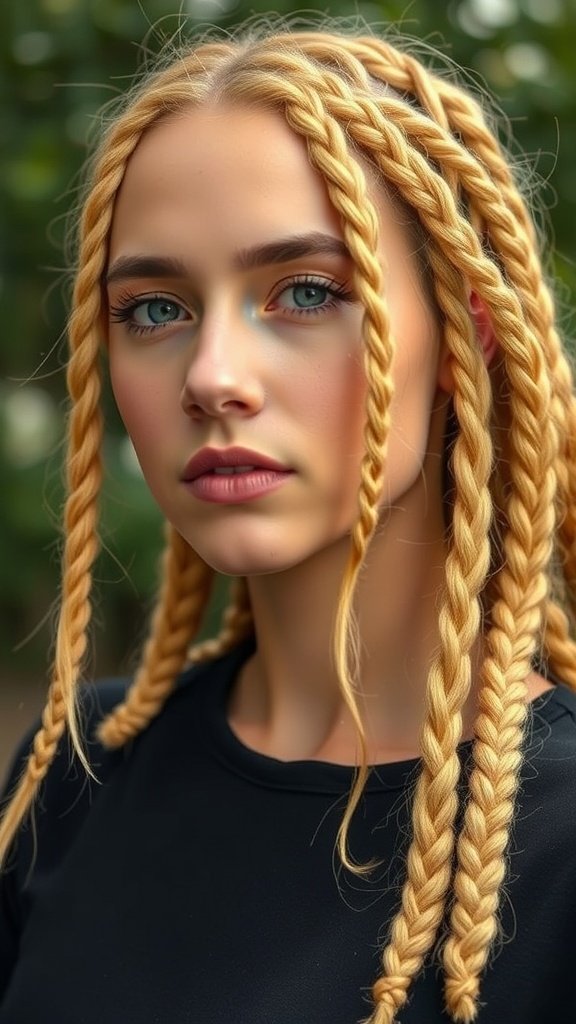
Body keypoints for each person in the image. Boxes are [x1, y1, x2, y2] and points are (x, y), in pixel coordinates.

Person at [1, 15, 575, 1024]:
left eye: (306, 291)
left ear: (466, 334)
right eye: (155, 309)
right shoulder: (75, 771)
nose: (213, 377)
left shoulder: (561, 832)